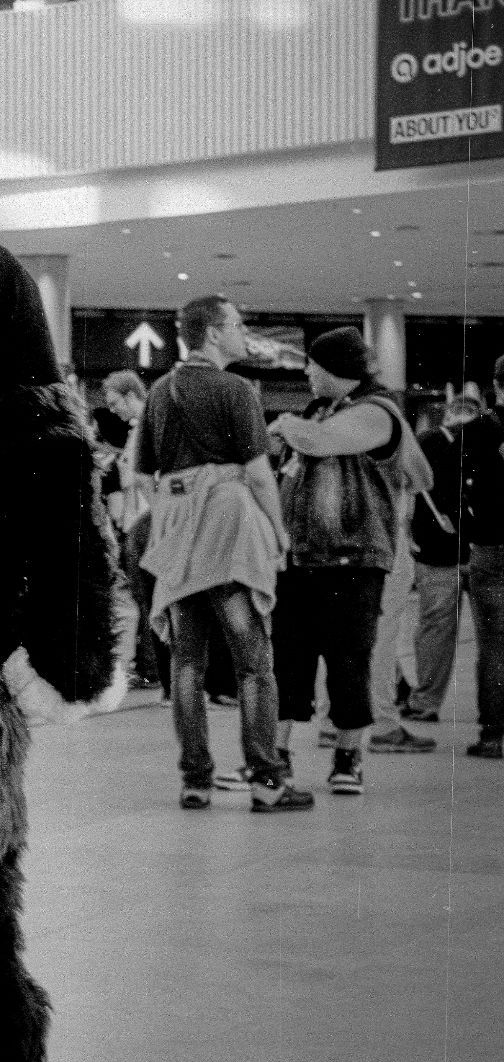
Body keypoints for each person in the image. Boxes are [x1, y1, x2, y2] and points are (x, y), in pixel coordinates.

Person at [136, 296, 309, 812]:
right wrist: (278, 531)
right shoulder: (235, 390)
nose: (243, 334)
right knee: (253, 661)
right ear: (212, 334)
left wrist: (176, 511)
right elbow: (257, 473)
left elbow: (143, 476)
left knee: (187, 664)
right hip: (231, 532)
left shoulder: (159, 392)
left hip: (180, 536)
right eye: (236, 325)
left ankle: (195, 780)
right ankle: (266, 780)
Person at [269, 326, 425, 797]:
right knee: (288, 661)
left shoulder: (377, 412)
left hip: (355, 559)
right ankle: (276, 757)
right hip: (299, 557)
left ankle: (349, 757)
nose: (307, 371)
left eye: (313, 364)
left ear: (337, 369)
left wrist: (283, 425)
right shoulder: (322, 410)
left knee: (348, 661)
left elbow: (320, 443)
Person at [403, 394, 474, 726]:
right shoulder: (485, 440)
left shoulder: (427, 440)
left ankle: (425, 701)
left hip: (438, 549)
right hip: (472, 547)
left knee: (435, 626)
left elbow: (408, 487)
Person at [100, 370, 160, 689]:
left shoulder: (149, 426)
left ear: (130, 395)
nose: (113, 410)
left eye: (114, 403)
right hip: (138, 524)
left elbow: (140, 480)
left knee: (147, 598)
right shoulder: (139, 429)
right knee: (141, 598)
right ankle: (150, 666)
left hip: (146, 524)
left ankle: (153, 667)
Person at [459, 358, 504, 760]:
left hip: (489, 546)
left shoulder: (477, 431)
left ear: (495, 384)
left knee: (493, 645)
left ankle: (493, 734)